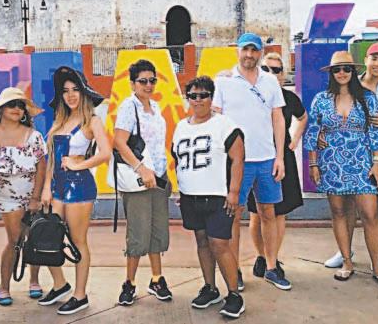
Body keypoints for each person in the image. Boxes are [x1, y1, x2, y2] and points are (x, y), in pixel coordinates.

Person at [303, 51, 378, 287]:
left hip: (362, 162)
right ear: (331, 73)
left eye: (346, 69)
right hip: (331, 162)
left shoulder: (367, 98)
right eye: (337, 69)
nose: (342, 73)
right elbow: (313, 132)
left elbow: (375, 132)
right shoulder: (321, 99)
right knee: (339, 211)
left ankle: (376, 266)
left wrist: (377, 162)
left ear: (353, 71)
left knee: (370, 214)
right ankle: (347, 261)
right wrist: (313, 163)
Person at [212, 32, 289, 291]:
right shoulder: (223, 82)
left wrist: (280, 157)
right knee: (234, 215)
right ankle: (233, 270)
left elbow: (278, 119)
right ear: (238, 51)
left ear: (260, 52)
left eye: (254, 50)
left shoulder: (270, 81)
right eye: (245, 49)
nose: (249, 55)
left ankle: (271, 266)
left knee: (268, 213)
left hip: (266, 159)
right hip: (237, 162)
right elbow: (216, 120)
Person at [324, 42, 378, 272]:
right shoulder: (348, 85)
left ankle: (376, 254)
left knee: (375, 207)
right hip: (347, 158)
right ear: (366, 60)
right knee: (346, 205)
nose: (377, 64)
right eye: (374, 58)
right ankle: (345, 252)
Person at [172, 76, 246, 319]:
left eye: (203, 95)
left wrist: (234, 192)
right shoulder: (181, 127)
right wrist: (180, 189)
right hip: (190, 197)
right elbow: (178, 160)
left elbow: (238, 158)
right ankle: (210, 287)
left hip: (217, 197)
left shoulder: (224, 125)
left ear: (211, 98)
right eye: (193, 96)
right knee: (202, 242)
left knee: (220, 244)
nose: (198, 100)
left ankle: (234, 294)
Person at [40, 67, 112, 315]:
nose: (71, 95)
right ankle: (60, 284)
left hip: (79, 187)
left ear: (84, 93)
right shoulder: (59, 121)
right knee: (48, 236)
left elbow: (105, 153)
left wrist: (79, 164)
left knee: (78, 240)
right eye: (65, 91)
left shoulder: (92, 120)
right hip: (56, 187)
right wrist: (46, 187)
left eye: (75, 90)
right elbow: (51, 159)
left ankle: (80, 295)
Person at [113, 59, 173, 305]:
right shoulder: (129, 107)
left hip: (158, 177)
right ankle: (129, 283)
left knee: (157, 231)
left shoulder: (155, 107)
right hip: (138, 179)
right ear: (132, 84)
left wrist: (160, 172)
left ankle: (157, 279)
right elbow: (119, 142)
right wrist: (142, 169)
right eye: (143, 81)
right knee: (138, 232)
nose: (148, 85)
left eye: (152, 80)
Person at [0, 87, 48, 306]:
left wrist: (36, 198)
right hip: (6, 195)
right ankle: (4, 286)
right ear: (1, 109)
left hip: (32, 193)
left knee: (34, 239)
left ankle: (34, 281)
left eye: (21, 105)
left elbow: (42, 167)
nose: (17, 109)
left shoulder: (34, 136)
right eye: (12, 104)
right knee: (14, 240)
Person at [249, 53, 307, 279]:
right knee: (256, 213)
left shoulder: (289, 98)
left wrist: (295, 139)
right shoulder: (251, 96)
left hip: (282, 159)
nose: (272, 74)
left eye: (277, 70)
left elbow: (303, 117)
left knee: (279, 212)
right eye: (266, 69)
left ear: (283, 74)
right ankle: (261, 257)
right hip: (256, 158)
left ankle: (272, 258)